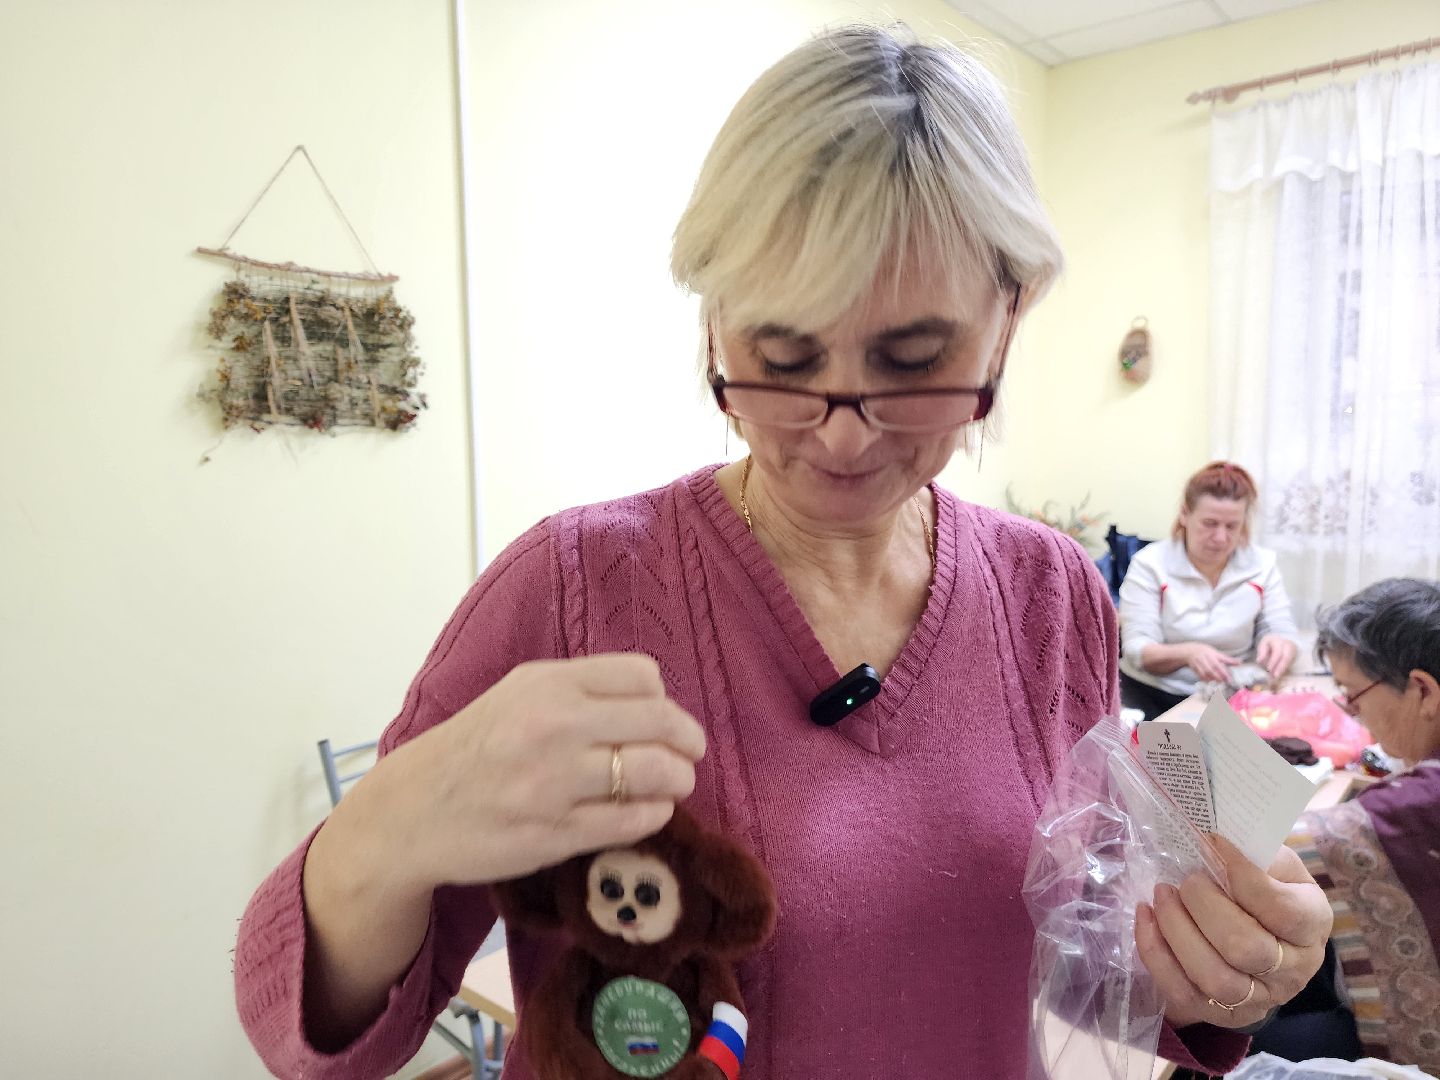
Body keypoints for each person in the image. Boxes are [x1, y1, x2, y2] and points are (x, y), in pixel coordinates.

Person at [233, 25, 1331, 1079]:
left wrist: (1222, 978)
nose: (843, 431)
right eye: (781, 353)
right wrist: (388, 827)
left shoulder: (1055, 591)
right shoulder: (570, 589)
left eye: (913, 360)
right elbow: (315, 1041)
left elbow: (1085, 994)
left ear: (1012, 312)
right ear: (714, 318)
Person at [1248, 578, 1440, 1071]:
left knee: (1246, 1040)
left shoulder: (1417, 808)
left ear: (1422, 690)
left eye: (1353, 697)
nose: (1355, 718)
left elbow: (1262, 847)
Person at [1118, 461, 1301, 722]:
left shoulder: (1262, 565)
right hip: (1155, 695)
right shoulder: (1150, 565)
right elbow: (1137, 649)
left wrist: (1281, 643)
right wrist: (1187, 653)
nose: (1220, 538)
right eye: (1210, 523)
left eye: (1231, 526)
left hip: (1233, 693)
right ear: (1184, 514)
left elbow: (1281, 628)